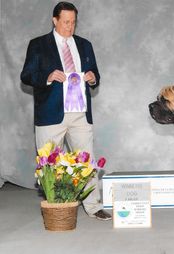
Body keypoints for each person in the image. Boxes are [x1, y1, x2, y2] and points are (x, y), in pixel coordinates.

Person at [20, 1, 111, 220]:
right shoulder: (38, 44)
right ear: (55, 20)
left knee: (86, 162)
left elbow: (96, 75)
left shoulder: (84, 44)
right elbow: (26, 75)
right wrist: (48, 77)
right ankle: (56, 209)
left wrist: (92, 78)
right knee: (50, 165)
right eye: (66, 22)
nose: (70, 27)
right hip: (51, 115)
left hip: (80, 113)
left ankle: (93, 206)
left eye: (73, 22)